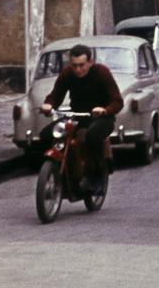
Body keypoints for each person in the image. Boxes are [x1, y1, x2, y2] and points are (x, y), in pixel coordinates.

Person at [40, 45, 123, 192]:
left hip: (102, 118)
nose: (78, 69)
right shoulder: (67, 74)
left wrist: (105, 110)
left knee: (92, 135)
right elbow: (56, 95)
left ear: (90, 62)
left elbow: (117, 101)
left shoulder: (102, 73)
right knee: (46, 134)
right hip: (77, 115)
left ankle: (95, 175)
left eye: (81, 65)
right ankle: (55, 169)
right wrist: (48, 105)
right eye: (74, 65)